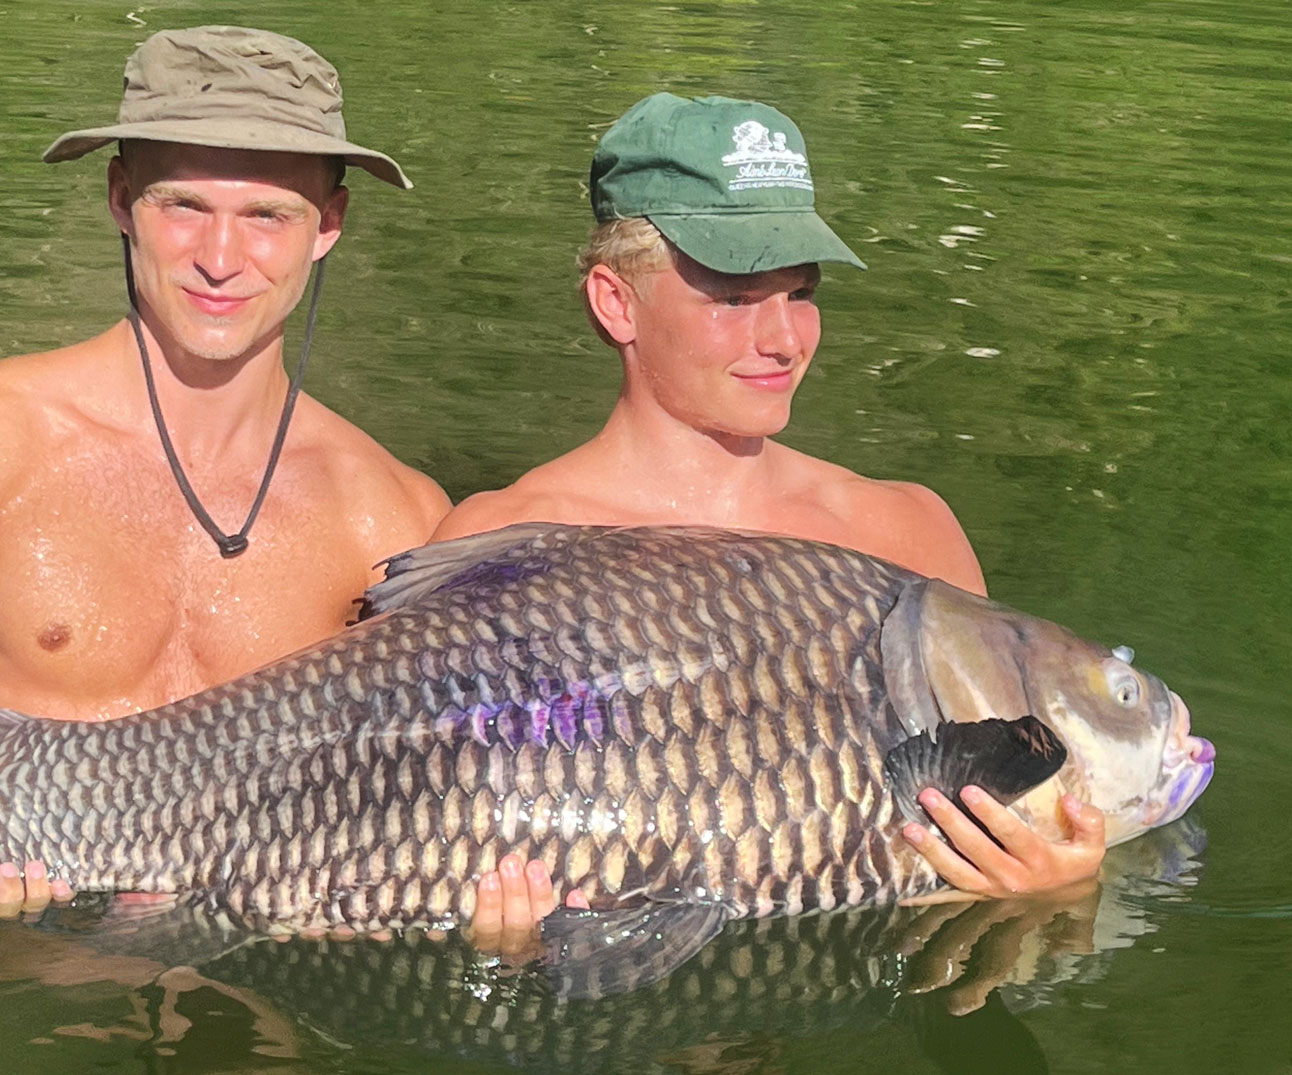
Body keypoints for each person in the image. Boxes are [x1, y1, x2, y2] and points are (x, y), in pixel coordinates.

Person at [0, 25, 553, 939]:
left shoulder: (396, 516)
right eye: (184, 206)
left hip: (257, 978)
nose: (220, 256)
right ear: (121, 199)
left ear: (328, 226)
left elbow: (410, 814)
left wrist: (502, 937)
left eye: (268, 216)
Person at [435, 93, 1106, 900]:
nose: (784, 339)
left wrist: (1058, 888)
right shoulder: (502, 538)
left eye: (801, 292)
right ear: (617, 302)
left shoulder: (908, 531)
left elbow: (993, 808)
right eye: (734, 297)